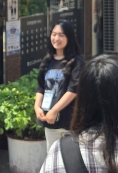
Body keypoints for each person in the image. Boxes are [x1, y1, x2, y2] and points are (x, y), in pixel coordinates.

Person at [33, 21, 84, 150]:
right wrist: (37, 107)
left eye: (61, 35)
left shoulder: (76, 62)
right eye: (54, 34)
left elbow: (73, 90)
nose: (56, 38)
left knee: (70, 157)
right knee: (52, 156)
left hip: (69, 122)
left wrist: (54, 110)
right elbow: (41, 87)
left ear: (69, 37)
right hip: (50, 120)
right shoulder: (47, 60)